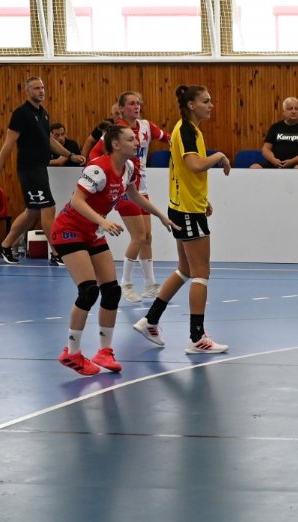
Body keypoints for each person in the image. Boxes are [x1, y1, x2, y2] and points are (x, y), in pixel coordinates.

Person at [51, 125, 177, 376]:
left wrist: (161, 215)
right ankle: (72, 352)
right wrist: (103, 222)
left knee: (111, 291)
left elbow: (134, 195)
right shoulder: (98, 169)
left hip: (92, 232)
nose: (136, 142)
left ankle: (104, 352)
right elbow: (77, 200)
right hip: (69, 230)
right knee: (89, 291)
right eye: (130, 139)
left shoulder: (128, 167)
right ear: (116, 145)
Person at [133, 85, 231, 354]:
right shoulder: (186, 130)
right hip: (187, 211)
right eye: (205, 101)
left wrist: (201, 199)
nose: (211, 105)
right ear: (191, 105)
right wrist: (219, 156)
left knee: (185, 269)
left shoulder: (188, 130)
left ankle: (150, 320)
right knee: (201, 273)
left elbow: (182, 172)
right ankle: (196, 338)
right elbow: (194, 165)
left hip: (185, 206)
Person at [0, 76, 86, 266]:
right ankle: (56, 253)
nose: (40, 91)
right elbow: (8, 143)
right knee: (48, 207)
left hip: (40, 168)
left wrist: (70, 155)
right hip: (30, 169)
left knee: (32, 211)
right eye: (35, 88)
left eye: (42, 87)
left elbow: (49, 140)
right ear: (27, 91)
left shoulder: (43, 114)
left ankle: (5, 246)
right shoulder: (21, 114)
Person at [89, 91, 171, 303]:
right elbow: (94, 154)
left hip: (140, 187)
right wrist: (109, 172)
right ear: (121, 108)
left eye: (138, 103)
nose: (137, 107)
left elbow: (168, 138)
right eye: (132, 104)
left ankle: (150, 284)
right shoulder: (115, 132)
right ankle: (125, 283)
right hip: (124, 189)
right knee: (139, 236)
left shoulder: (146, 126)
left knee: (147, 237)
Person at [255, 97, 298, 169]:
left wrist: (292, 161)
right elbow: (265, 149)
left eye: (296, 109)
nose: (294, 111)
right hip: (275, 163)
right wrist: (273, 160)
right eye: (290, 109)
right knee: (254, 167)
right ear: (283, 112)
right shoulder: (275, 127)